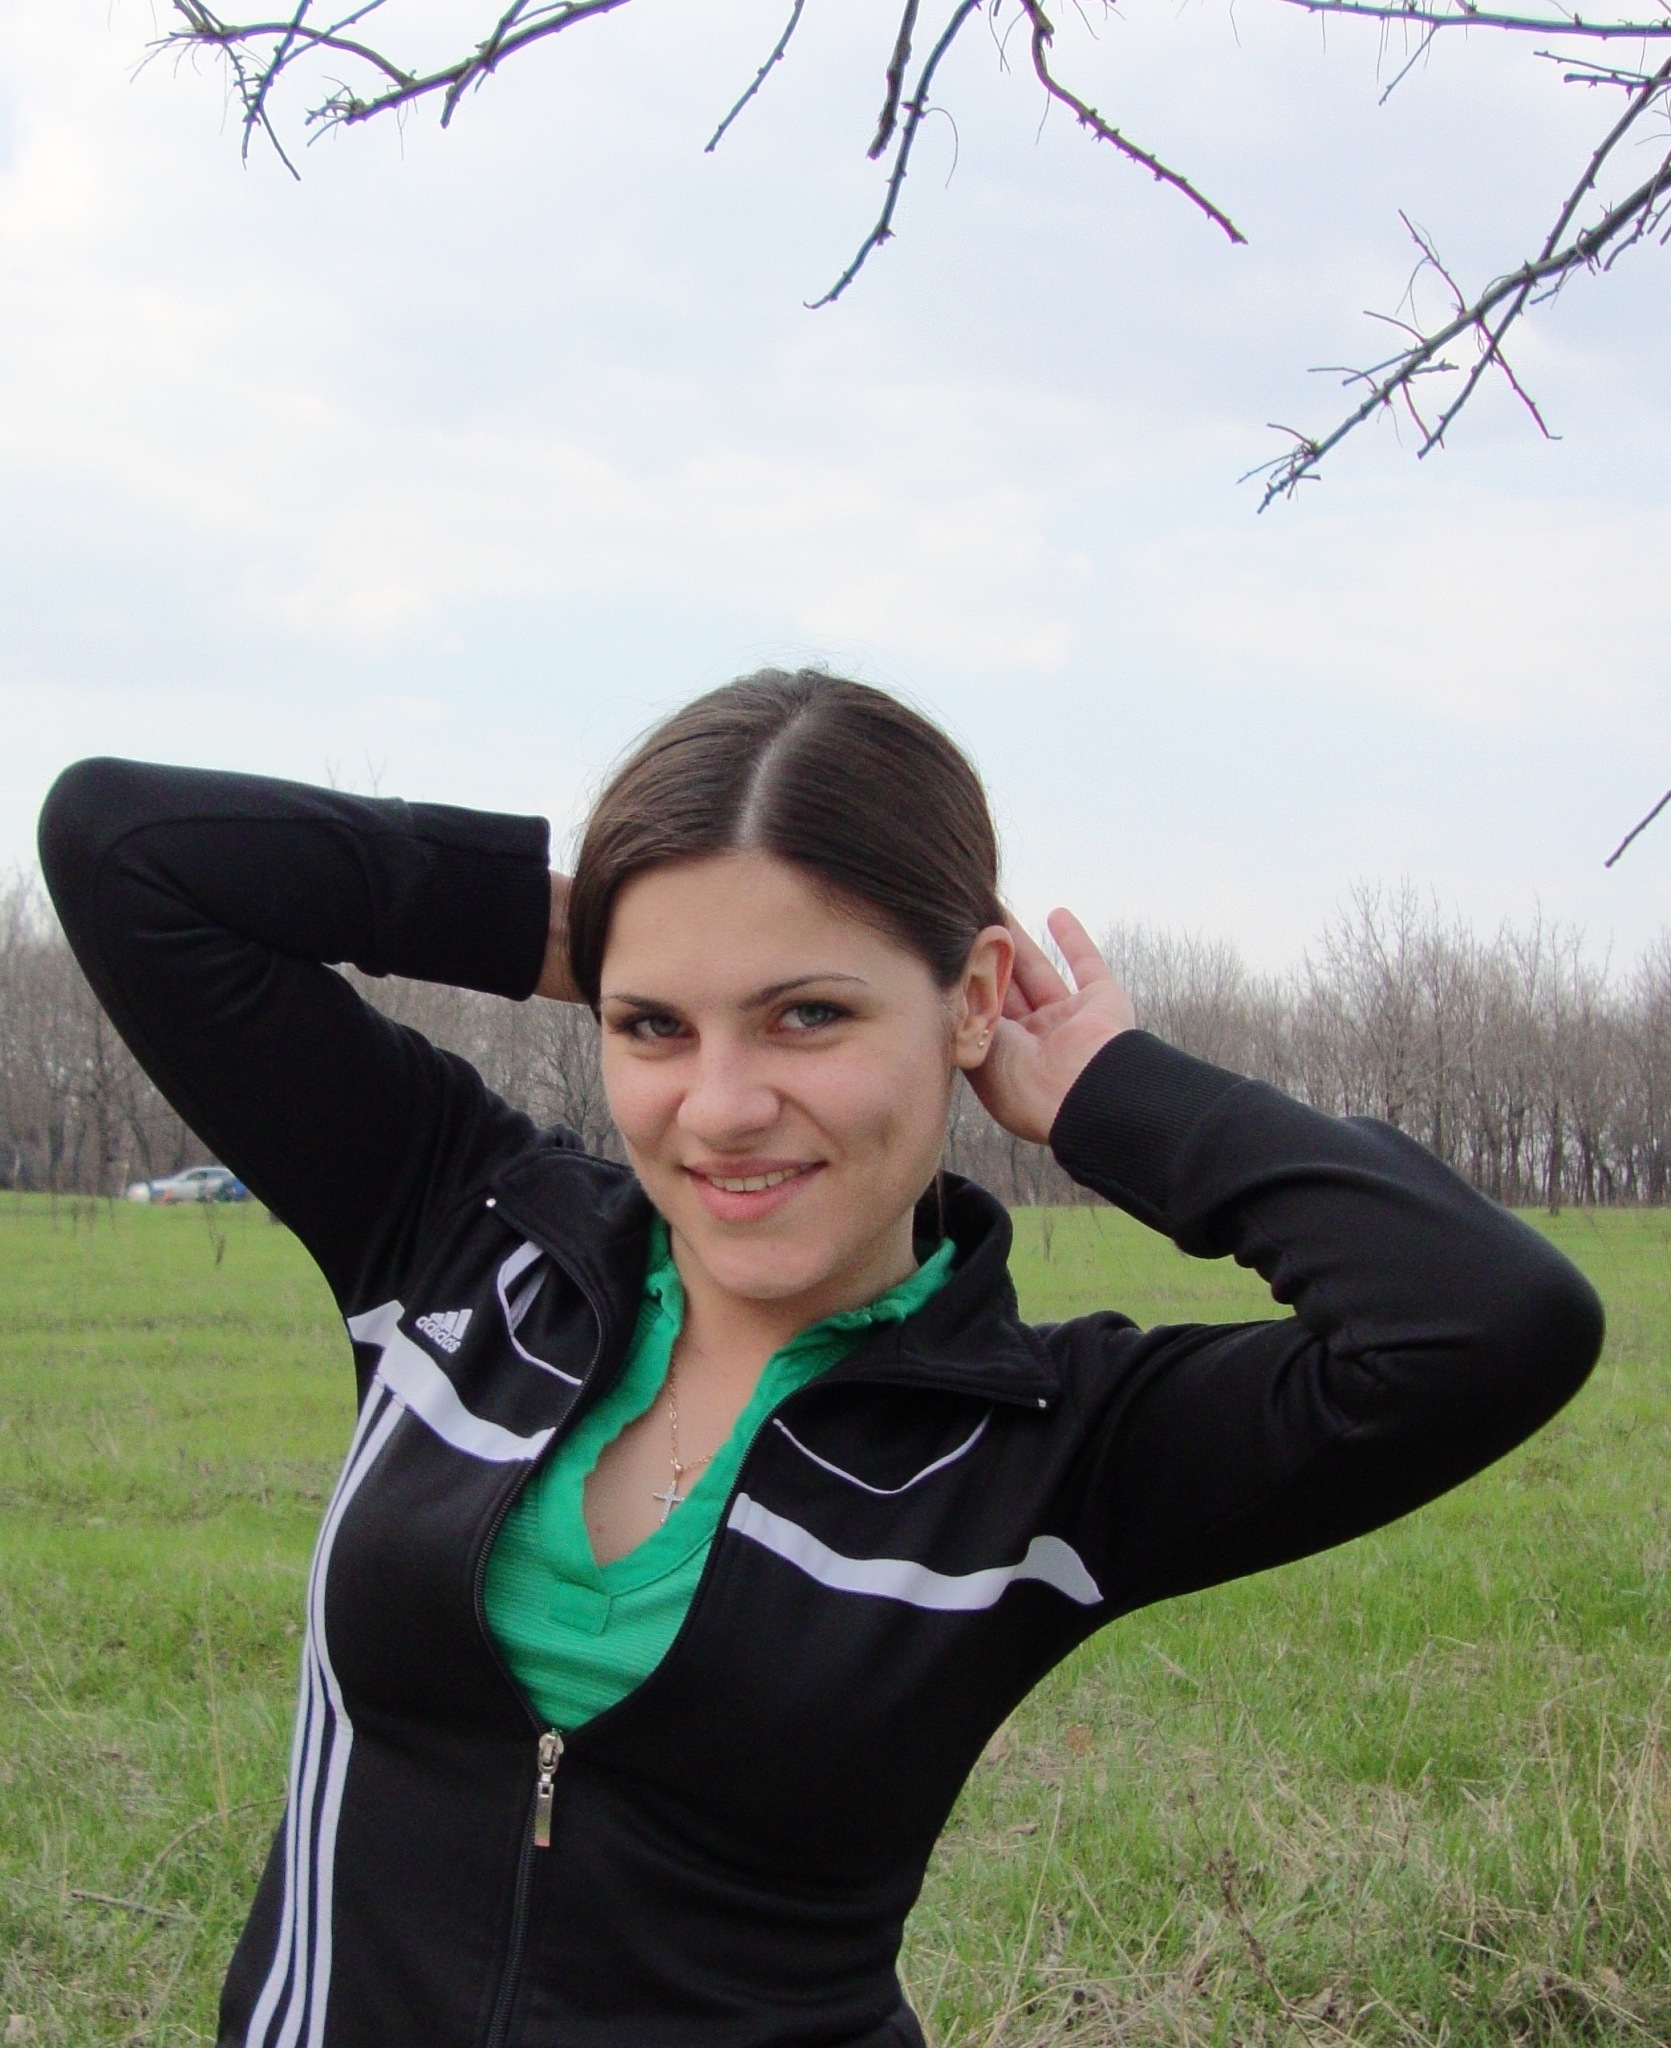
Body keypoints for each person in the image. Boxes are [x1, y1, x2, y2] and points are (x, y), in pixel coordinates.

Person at [39, 669, 1602, 2048]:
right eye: (654, 1026)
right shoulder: (462, 1234)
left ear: (970, 1000)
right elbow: (123, 848)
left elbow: (1486, 1320)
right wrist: (581, 919)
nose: (720, 1107)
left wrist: (1107, 1091)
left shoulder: (1049, 1448)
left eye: (804, 1015)